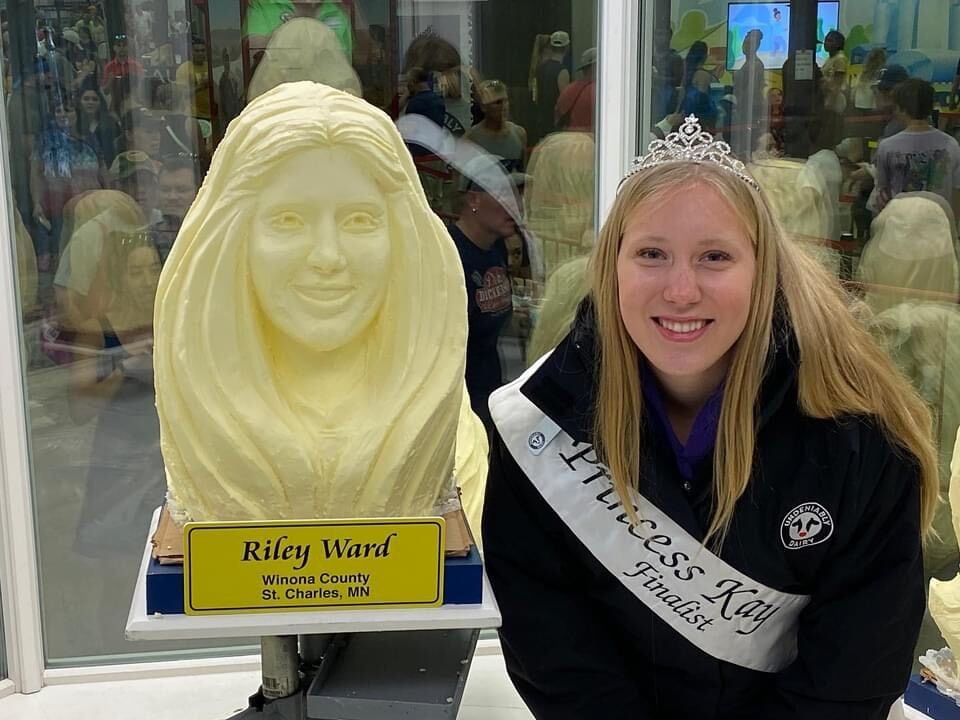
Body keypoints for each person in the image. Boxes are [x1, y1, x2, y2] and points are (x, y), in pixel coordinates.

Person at [483, 115, 936, 718]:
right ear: (611, 265)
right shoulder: (541, 421)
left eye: (714, 257)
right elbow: (557, 653)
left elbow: (856, 666)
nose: (680, 290)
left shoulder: (856, 428)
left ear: (763, 270)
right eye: (651, 254)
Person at [154, 81, 487, 524]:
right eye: (289, 221)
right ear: (237, 236)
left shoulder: (443, 419)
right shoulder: (202, 411)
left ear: (402, 234)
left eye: (359, 220)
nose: (328, 257)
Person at [448, 154, 518, 428]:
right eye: (502, 194)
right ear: (474, 200)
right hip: (462, 405)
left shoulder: (496, 247)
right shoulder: (449, 256)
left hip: (492, 392)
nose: (515, 204)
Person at [29, 100, 105, 268]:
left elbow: (102, 171)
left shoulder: (90, 139)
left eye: (68, 110)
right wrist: (36, 203)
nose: (63, 114)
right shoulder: (46, 141)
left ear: (77, 114)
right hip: (57, 205)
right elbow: (36, 174)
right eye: (58, 110)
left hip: (88, 203)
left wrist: (107, 197)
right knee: (63, 251)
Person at [874, 78, 960, 217]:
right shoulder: (951, 144)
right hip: (938, 226)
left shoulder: (887, 146)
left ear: (902, 108)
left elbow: (882, 193)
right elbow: (957, 191)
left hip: (900, 226)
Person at [464, 80, 527, 172]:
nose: (504, 106)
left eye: (505, 101)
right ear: (484, 107)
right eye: (497, 102)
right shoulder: (471, 139)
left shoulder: (519, 133)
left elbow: (524, 173)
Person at [732, 28, 766, 159]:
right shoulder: (747, 64)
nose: (744, 46)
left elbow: (751, 90)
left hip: (750, 108)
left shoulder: (756, 65)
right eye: (744, 43)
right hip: (743, 107)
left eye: (748, 44)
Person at [534, 31, 571, 139]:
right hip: (555, 125)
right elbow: (564, 101)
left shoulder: (540, 68)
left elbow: (536, 96)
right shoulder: (562, 71)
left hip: (541, 121)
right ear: (567, 47)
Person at [75, 80, 120, 165]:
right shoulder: (75, 124)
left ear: (101, 103)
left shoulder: (110, 123)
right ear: (80, 103)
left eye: (95, 99)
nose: (90, 102)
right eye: (86, 99)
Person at [677, 41, 717, 132]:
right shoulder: (702, 75)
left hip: (686, 116)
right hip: (699, 118)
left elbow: (681, 96)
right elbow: (701, 98)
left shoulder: (687, 74)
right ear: (704, 56)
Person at [554, 48, 596, 132]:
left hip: (570, 140)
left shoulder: (567, 90)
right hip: (592, 141)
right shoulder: (603, 93)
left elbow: (557, 119)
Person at [819, 30, 848, 147]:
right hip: (827, 99)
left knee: (832, 131)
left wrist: (829, 103)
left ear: (838, 43)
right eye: (826, 40)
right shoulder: (830, 58)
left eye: (830, 40)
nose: (826, 43)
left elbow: (837, 83)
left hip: (835, 100)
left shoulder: (840, 59)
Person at [175, 36, 212, 120]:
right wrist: (201, 87)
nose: (200, 53)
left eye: (202, 50)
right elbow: (181, 95)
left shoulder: (209, 67)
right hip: (193, 115)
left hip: (210, 113)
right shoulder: (184, 69)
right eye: (197, 51)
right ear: (191, 52)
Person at [652, 26, 683, 122]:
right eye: (657, 34)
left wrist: (657, 78)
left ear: (669, 37)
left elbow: (678, 81)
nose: (659, 38)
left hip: (666, 99)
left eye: (662, 35)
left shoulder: (675, 58)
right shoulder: (648, 56)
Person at [854, 48, 886, 113]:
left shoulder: (862, 73)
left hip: (858, 106)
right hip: (872, 108)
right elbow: (877, 92)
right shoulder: (880, 73)